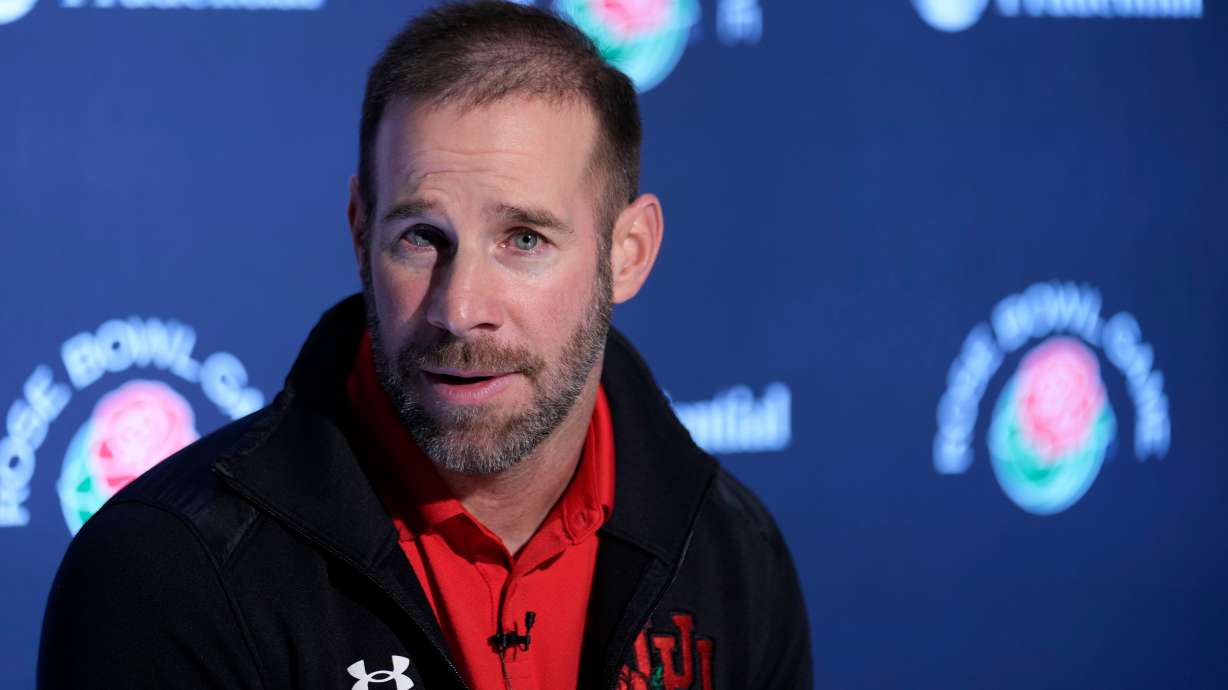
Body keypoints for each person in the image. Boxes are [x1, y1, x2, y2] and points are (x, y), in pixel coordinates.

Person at [37, 2, 812, 689]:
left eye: (524, 238)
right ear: (358, 232)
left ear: (629, 252)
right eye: (420, 238)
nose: (460, 308)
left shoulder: (731, 559)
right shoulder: (168, 573)